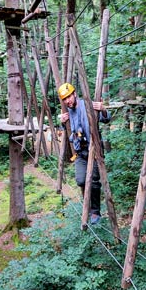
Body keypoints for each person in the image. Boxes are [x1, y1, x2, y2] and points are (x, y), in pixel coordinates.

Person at [58, 82, 110, 225]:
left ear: (75, 94)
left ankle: (95, 212)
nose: (68, 100)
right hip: (80, 152)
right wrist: (63, 123)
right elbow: (68, 130)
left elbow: (106, 119)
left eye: (69, 97)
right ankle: (87, 202)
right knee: (81, 180)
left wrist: (103, 109)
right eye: (65, 99)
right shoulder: (68, 113)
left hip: (93, 150)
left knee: (93, 180)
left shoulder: (87, 106)